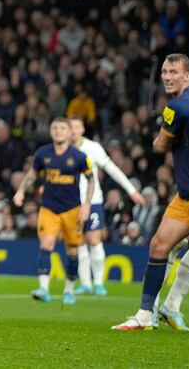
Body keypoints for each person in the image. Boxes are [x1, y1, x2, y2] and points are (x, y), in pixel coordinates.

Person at [113, 54, 189, 330]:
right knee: (160, 245)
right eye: (164, 71)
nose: (167, 77)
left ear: (187, 76)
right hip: (186, 194)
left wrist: (163, 135)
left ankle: (166, 308)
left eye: (173, 72)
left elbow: (159, 146)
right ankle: (145, 314)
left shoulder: (178, 107)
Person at [14, 117, 95, 305]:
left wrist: (87, 205)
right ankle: (43, 288)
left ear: (68, 133)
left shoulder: (79, 156)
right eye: (55, 128)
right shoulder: (43, 154)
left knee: (72, 251)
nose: (58, 131)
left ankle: (69, 289)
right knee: (46, 244)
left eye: (62, 128)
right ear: (51, 131)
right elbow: (32, 175)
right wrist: (20, 191)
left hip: (72, 209)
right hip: (49, 208)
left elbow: (91, 180)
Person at [68, 116, 146, 296]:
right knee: (77, 242)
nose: (73, 130)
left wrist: (131, 190)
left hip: (92, 200)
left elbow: (112, 169)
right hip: (71, 203)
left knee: (95, 240)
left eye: (76, 126)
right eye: (70, 127)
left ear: (82, 129)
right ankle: (86, 283)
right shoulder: (63, 149)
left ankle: (99, 283)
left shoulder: (92, 148)